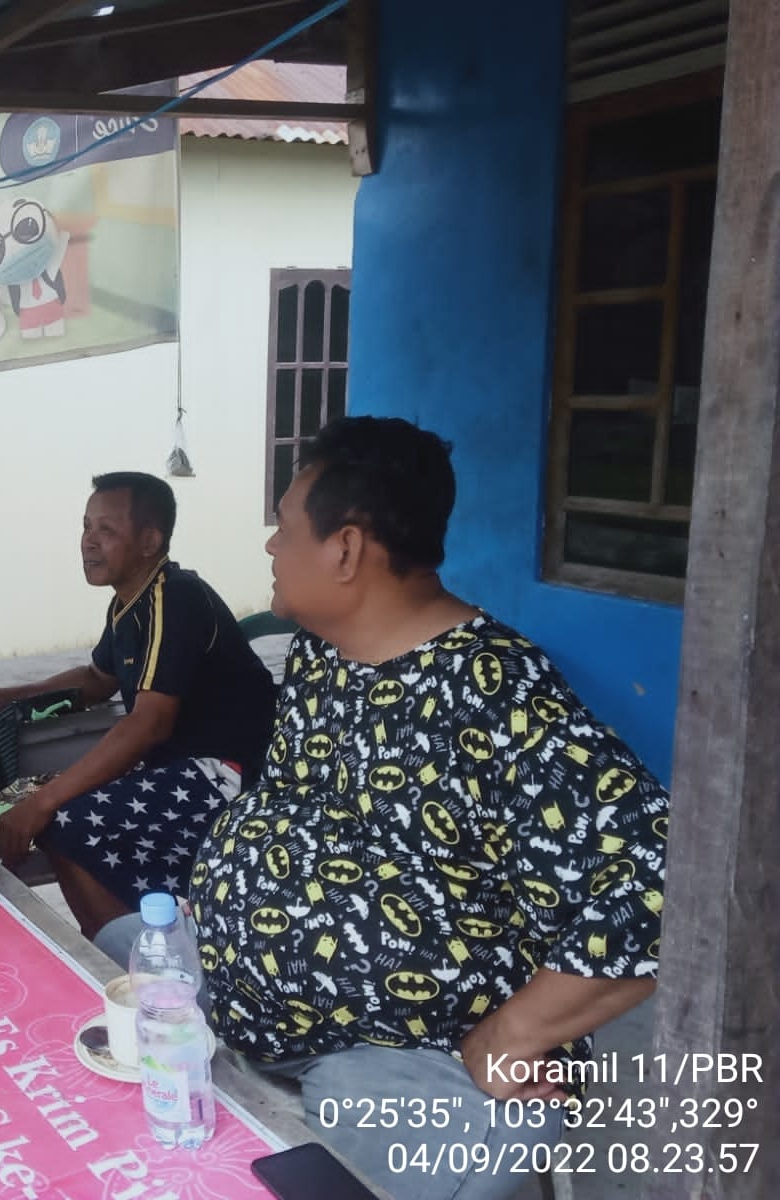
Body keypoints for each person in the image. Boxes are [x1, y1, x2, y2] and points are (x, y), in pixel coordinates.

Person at [183, 417, 667, 1200]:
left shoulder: (493, 692)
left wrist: (518, 1034)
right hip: (257, 1019)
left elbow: (661, 880)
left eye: (282, 527)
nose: (271, 547)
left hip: (394, 1059)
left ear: (344, 549)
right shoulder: (320, 652)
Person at [0, 471, 277, 940]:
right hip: (186, 771)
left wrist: (40, 801)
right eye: (86, 526)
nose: (88, 542)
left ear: (149, 541)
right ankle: (127, 955)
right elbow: (98, 679)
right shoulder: (127, 604)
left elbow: (150, 723)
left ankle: (130, 964)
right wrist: (6, 697)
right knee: (70, 827)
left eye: (107, 530)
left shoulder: (174, 597)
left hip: (237, 772)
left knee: (67, 825)